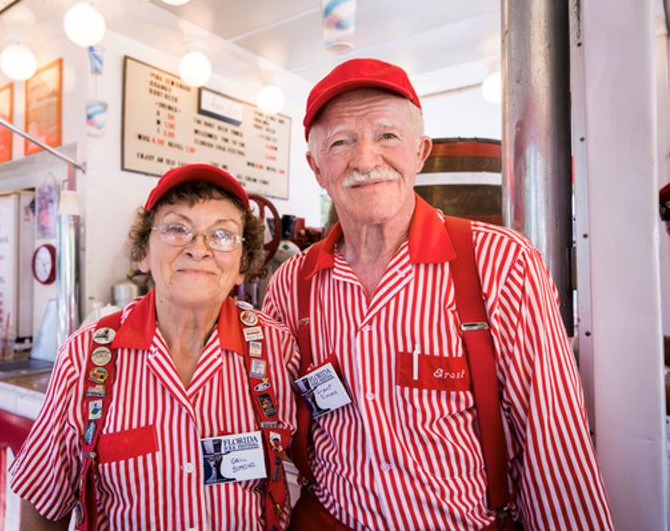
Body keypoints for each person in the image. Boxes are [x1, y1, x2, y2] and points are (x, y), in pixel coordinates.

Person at [262, 58, 613, 530]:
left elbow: (553, 444)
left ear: (420, 152)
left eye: (387, 135)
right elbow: (266, 416)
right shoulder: (291, 283)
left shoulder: (502, 264)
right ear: (315, 168)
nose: (365, 160)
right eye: (340, 142)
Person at [10, 164, 297, 530]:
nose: (199, 248)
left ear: (243, 265)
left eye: (222, 234)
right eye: (177, 228)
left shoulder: (278, 349)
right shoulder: (84, 358)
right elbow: (43, 508)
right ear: (143, 253)